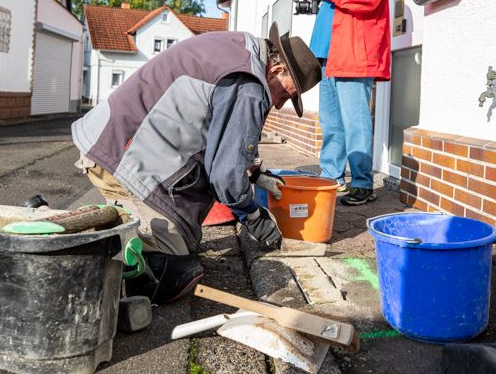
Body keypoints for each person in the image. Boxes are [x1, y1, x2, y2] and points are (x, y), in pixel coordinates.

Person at [71, 22, 321, 304]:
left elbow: (222, 135)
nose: (279, 105)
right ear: (275, 70)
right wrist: (252, 215)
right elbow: (225, 177)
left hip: (112, 140)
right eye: (286, 95)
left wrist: (255, 173)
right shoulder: (249, 85)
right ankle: (77, 246)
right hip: (122, 157)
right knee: (173, 269)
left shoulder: (241, 50)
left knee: (187, 241)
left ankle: (114, 220)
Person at [290, 0, 391, 206]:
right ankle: (331, 178)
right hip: (328, 56)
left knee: (355, 122)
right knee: (331, 122)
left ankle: (361, 184)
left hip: (353, 56)